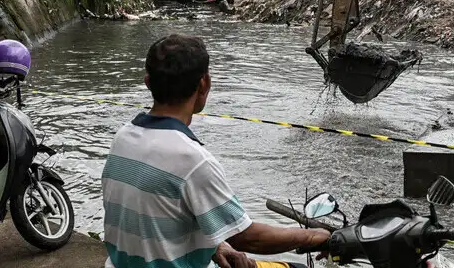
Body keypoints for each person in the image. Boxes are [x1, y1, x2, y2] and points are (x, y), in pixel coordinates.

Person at [101, 34, 329, 268]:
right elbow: (248, 238)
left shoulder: (123, 138)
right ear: (204, 84)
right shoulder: (192, 160)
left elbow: (149, 216)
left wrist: (214, 245)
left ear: (148, 82)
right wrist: (313, 236)